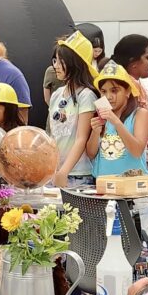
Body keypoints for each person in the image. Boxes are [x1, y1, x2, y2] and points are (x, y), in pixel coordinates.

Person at [47, 32, 98, 187]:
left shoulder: (86, 95)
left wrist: (64, 171)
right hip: (54, 172)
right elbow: (52, 135)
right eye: (55, 60)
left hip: (78, 175)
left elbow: (81, 138)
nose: (55, 66)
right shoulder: (56, 95)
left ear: (75, 63)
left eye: (61, 61)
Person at [87, 61, 148, 178]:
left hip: (132, 183)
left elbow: (137, 151)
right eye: (103, 91)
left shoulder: (140, 114)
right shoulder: (103, 115)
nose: (108, 97)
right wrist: (95, 132)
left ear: (128, 91)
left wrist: (116, 122)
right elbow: (91, 154)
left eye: (114, 90)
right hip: (103, 182)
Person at [111, 34, 148, 162]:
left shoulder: (133, 83)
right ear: (133, 63)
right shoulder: (127, 86)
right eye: (147, 57)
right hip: (132, 158)